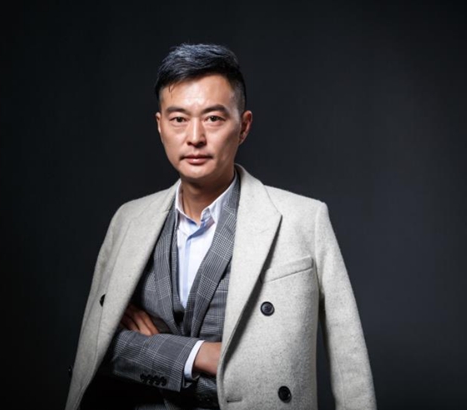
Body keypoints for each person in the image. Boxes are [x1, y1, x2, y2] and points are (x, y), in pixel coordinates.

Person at [65, 43, 376, 410]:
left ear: (243, 126)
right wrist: (201, 354)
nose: (195, 137)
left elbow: (349, 363)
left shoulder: (303, 219)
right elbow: (94, 353)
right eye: (179, 119)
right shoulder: (129, 220)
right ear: (160, 125)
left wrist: (150, 351)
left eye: (213, 118)